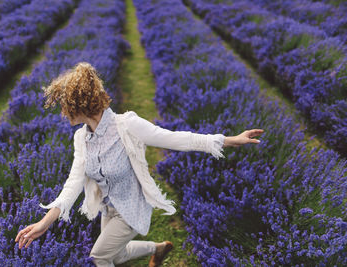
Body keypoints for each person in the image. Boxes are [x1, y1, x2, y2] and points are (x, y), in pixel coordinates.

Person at [14, 62, 264, 266]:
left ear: (81, 106)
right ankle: (158, 248)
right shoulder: (82, 138)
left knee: (99, 256)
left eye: (65, 107)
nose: (62, 113)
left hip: (132, 208)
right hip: (108, 208)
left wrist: (229, 140)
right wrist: (44, 223)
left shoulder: (126, 126)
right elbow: (73, 184)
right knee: (117, 255)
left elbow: (174, 138)